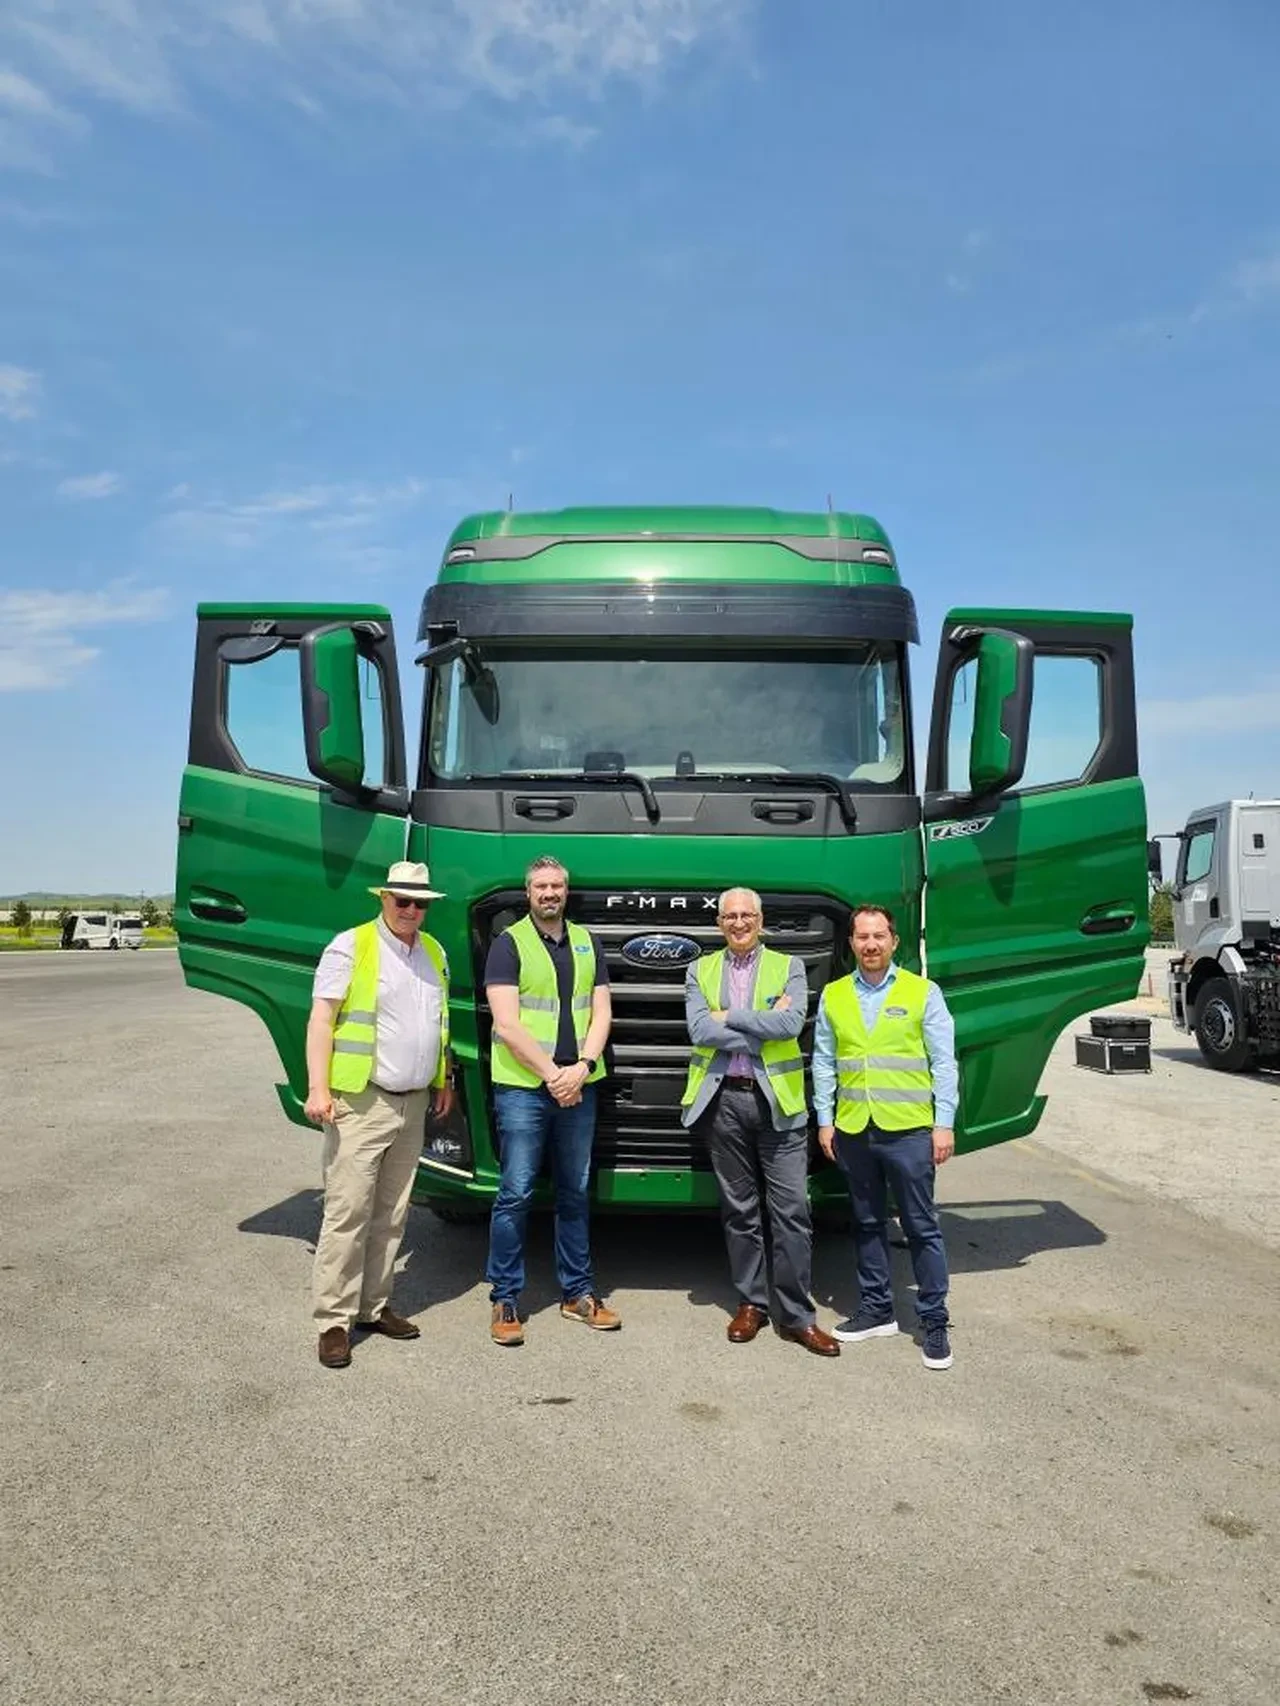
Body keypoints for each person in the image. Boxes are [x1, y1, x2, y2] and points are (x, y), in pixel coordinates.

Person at [305, 861, 454, 1370]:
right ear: (384, 899)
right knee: (347, 1212)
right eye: (403, 901)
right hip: (362, 1100)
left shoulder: (433, 953)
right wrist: (318, 1088)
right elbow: (322, 1018)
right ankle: (333, 1320)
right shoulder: (351, 946)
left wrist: (444, 1079)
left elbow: (438, 1024)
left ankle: (372, 1307)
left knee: (393, 1212)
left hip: (413, 1102)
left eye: (421, 903)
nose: (413, 910)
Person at [682, 887, 840, 1357]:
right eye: (729, 916)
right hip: (724, 1103)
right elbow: (698, 1029)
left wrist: (728, 1016)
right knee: (740, 1211)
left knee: (792, 1211)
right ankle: (751, 1304)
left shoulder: (788, 967)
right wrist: (758, 1025)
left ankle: (796, 1316)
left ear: (760, 919)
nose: (738, 923)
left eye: (746, 915)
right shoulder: (699, 968)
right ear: (719, 924)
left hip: (780, 1106)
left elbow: (791, 1026)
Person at [813, 904, 959, 1370]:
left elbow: (943, 1062)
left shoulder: (922, 992)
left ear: (894, 941)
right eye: (862, 937)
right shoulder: (835, 995)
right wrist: (825, 1118)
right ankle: (877, 1310)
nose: (871, 945)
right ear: (851, 943)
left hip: (910, 1130)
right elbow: (823, 1061)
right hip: (855, 1128)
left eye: (879, 936)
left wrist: (944, 1122)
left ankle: (934, 1320)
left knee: (921, 1227)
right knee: (868, 1223)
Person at [483, 855, 618, 1346]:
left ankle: (578, 1294)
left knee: (574, 1193)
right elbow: (507, 1023)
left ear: (567, 891)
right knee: (515, 1193)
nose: (549, 893)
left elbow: (602, 1012)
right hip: (524, 1087)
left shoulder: (587, 941)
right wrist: (553, 1075)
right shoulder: (508, 944)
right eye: (541, 886)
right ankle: (505, 1297)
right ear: (528, 892)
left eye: (557, 885)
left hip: (578, 1084)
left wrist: (581, 1067)